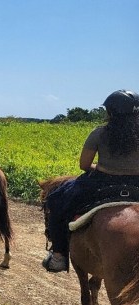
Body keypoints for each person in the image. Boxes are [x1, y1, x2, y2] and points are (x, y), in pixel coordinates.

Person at [42, 89, 139, 272]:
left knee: (55, 200)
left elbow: (84, 164)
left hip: (101, 183)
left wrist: (103, 168)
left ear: (110, 112)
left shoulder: (99, 133)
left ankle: (59, 256)